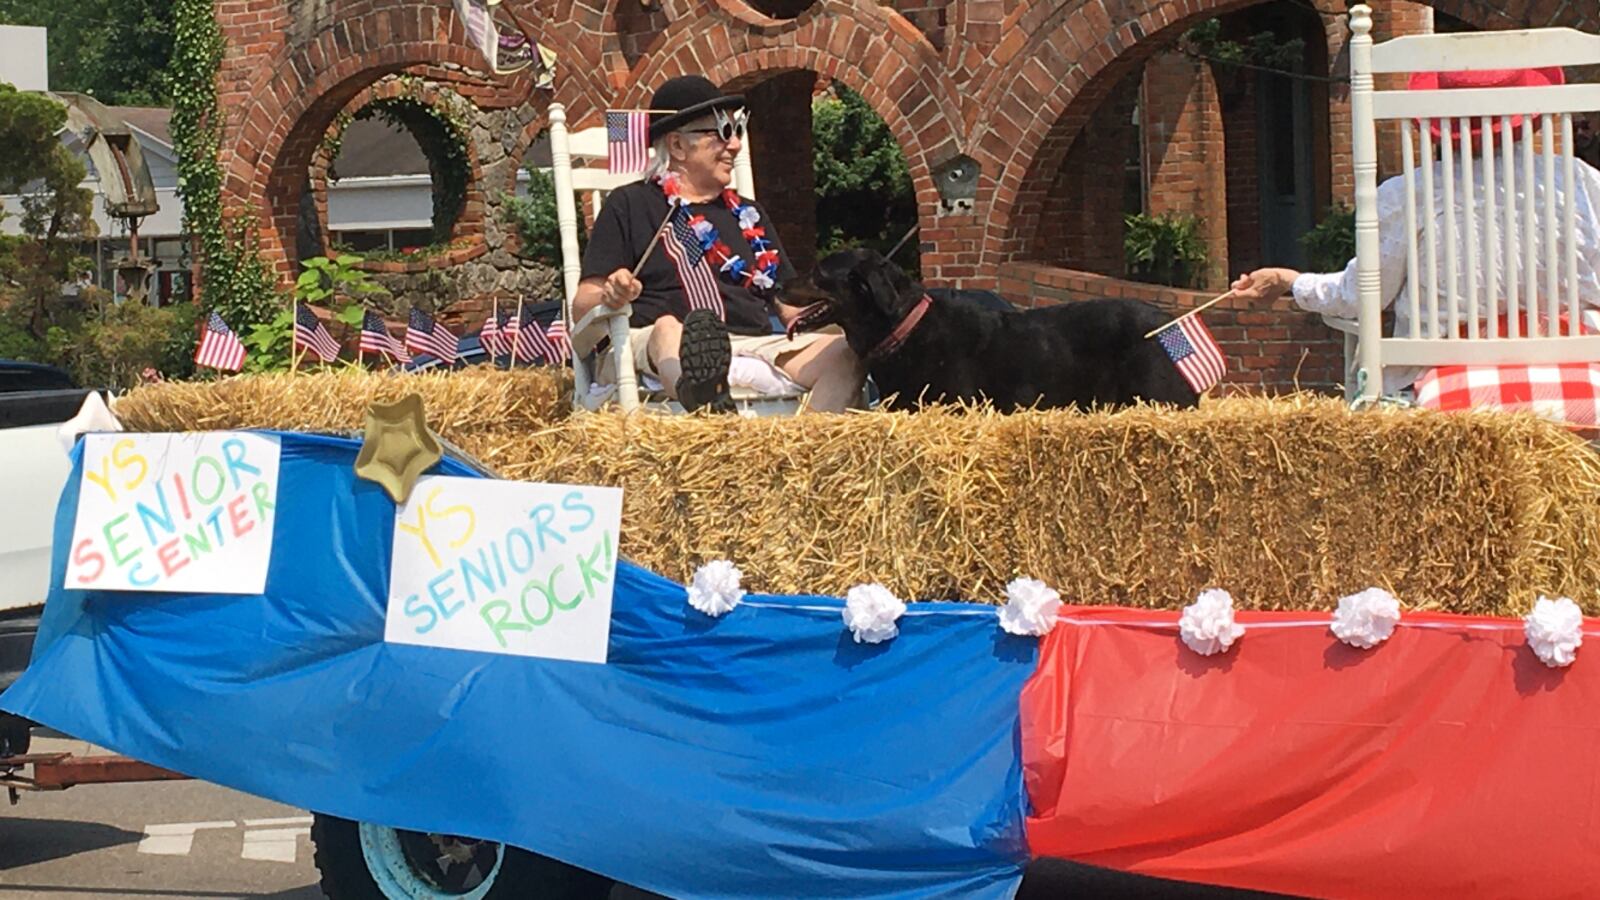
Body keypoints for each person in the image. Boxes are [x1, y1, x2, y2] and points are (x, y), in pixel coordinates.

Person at [1230, 67, 1600, 394]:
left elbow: (1359, 297)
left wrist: (1291, 282)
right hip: (1580, 371)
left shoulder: (1405, 194)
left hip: (1444, 377)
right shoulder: (1582, 181)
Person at [573, 75, 865, 412]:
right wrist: (612, 293)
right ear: (679, 146)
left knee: (848, 354)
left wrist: (848, 311)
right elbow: (583, 304)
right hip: (652, 343)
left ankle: (800, 453)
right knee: (671, 329)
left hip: (752, 342)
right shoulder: (630, 204)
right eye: (722, 133)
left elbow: (789, 305)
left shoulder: (749, 214)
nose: (736, 145)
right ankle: (704, 399)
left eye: (736, 131)